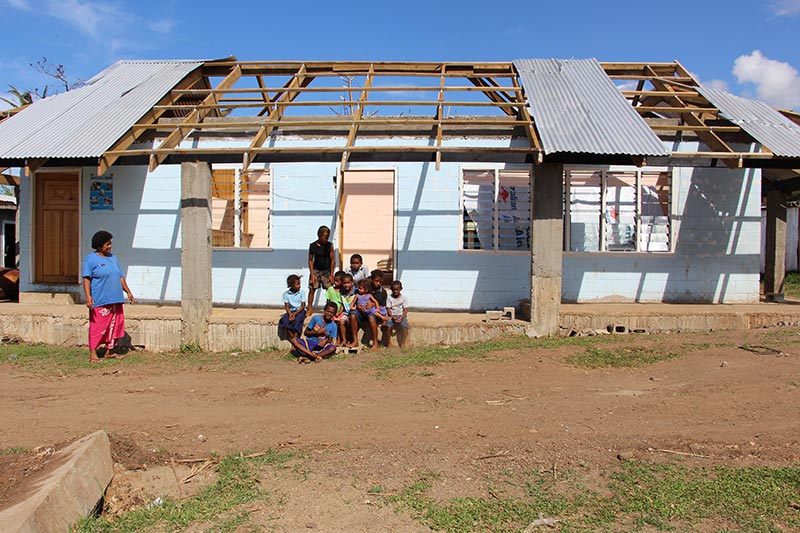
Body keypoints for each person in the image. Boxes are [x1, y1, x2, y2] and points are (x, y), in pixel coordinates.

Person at [82, 230, 135, 363]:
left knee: (115, 325)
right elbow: (86, 279)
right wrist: (88, 297)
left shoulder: (113, 258)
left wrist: (128, 292)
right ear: (99, 246)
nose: (110, 246)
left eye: (110, 244)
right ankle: (93, 353)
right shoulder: (90, 259)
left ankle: (110, 350)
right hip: (101, 299)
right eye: (107, 244)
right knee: (98, 326)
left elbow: (120, 276)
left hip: (115, 299)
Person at [307, 225, 335, 316]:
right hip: (316, 270)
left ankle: (328, 309)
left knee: (329, 290)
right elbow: (310, 260)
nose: (326, 239)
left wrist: (331, 274)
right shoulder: (313, 246)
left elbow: (332, 260)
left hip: (326, 271)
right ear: (319, 235)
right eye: (325, 237)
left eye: (327, 237)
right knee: (312, 289)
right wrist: (312, 274)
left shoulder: (329, 246)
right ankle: (310, 308)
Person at [278, 274, 306, 339]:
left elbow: (303, 305)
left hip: (300, 311)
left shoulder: (301, 292)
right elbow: (287, 306)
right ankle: (292, 337)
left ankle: (295, 338)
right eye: (297, 284)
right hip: (291, 311)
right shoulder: (286, 294)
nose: (299, 286)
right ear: (291, 285)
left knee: (297, 320)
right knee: (284, 321)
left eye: (299, 284)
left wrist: (295, 314)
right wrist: (290, 314)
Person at [386, 280, 410, 348]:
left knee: (405, 327)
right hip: (392, 315)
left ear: (401, 289)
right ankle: (388, 342)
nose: (395, 291)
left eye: (397, 289)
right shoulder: (389, 298)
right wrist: (392, 316)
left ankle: (403, 343)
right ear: (391, 289)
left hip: (401, 315)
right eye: (393, 290)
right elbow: (388, 308)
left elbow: (405, 309)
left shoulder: (404, 298)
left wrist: (402, 317)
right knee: (388, 326)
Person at [338, 273, 358, 347]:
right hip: (346, 312)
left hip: (353, 312)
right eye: (344, 283)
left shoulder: (356, 291)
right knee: (341, 321)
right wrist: (339, 312)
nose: (346, 285)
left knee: (350, 322)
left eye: (348, 283)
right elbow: (343, 304)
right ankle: (344, 339)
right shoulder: (342, 292)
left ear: (352, 283)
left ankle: (351, 339)